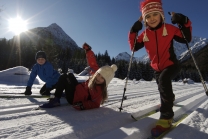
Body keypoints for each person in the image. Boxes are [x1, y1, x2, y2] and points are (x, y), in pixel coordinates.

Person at [128, 0, 192, 137]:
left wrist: (183, 20)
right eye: (148, 16)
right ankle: (168, 99)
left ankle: (166, 117)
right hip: (157, 68)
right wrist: (133, 30)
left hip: (171, 65)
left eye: (155, 14)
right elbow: (133, 47)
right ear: (144, 20)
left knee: (163, 81)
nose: (152, 19)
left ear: (161, 15)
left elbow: (186, 38)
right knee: (162, 86)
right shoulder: (144, 34)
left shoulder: (169, 29)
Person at [39, 43, 117, 110]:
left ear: (106, 81)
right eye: (99, 74)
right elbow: (93, 63)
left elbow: (95, 104)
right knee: (69, 75)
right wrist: (88, 51)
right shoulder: (94, 77)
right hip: (77, 89)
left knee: (64, 77)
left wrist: (82, 105)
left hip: (74, 98)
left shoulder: (99, 91)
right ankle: (63, 92)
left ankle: (56, 100)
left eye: (102, 78)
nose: (98, 78)